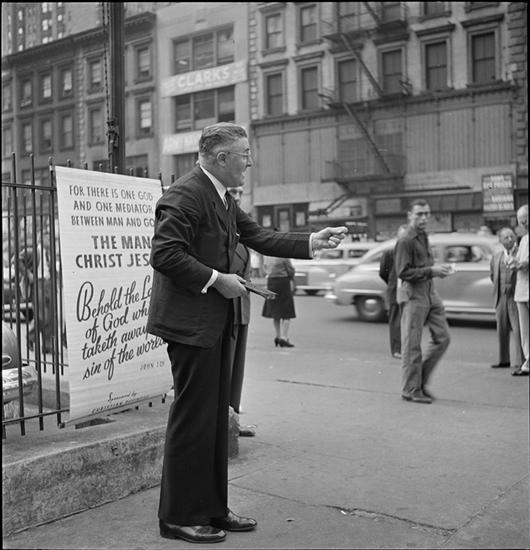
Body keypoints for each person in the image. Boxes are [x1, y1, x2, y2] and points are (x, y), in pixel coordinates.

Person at [146, 122, 347, 544]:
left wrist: (313, 240)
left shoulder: (222, 196)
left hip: (213, 323)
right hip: (190, 327)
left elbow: (259, 236)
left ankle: (212, 509)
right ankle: (179, 516)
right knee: (193, 421)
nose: (250, 162)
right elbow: (164, 254)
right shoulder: (185, 194)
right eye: (245, 154)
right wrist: (217, 279)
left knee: (215, 421)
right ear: (221, 158)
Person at [394, 199, 452, 404]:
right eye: (419, 214)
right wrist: (431, 271)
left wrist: (437, 270)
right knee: (412, 345)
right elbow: (402, 272)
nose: (424, 218)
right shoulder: (406, 240)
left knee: (443, 338)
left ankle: (419, 382)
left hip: (429, 292)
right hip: (413, 295)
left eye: (426, 214)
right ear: (410, 216)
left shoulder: (423, 236)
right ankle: (411, 390)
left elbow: (425, 265)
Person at [226, 185, 256, 437]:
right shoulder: (217, 224)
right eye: (232, 191)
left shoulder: (241, 227)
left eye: (240, 192)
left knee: (237, 371)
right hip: (223, 310)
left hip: (241, 308)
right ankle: (223, 424)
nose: (237, 197)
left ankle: (232, 422)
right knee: (223, 372)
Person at [489, 227, 523, 371]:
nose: (510, 240)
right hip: (500, 297)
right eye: (506, 237)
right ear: (500, 240)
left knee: (518, 330)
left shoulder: (521, 253)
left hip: (515, 297)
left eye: (511, 236)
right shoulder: (496, 257)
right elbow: (492, 276)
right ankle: (504, 360)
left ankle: (521, 361)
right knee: (501, 330)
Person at [378, 224, 408, 359]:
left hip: (410, 291)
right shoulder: (390, 253)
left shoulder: (412, 253)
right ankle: (397, 349)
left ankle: (407, 347)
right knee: (396, 321)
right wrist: (392, 283)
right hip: (395, 290)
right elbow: (383, 272)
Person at [261, 256, 297, 348]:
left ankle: (277, 336)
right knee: (286, 312)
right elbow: (290, 270)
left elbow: (264, 269)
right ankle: (284, 338)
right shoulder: (283, 256)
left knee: (275, 311)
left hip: (271, 282)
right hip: (283, 282)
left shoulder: (267, 257)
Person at [512, 204, 529, 377]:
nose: (523, 223)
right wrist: (513, 262)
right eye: (520, 221)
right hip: (521, 290)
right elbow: (519, 260)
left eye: (525, 219)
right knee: (525, 330)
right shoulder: (523, 240)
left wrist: (521, 264)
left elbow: (525, 262)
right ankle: (528, 362)